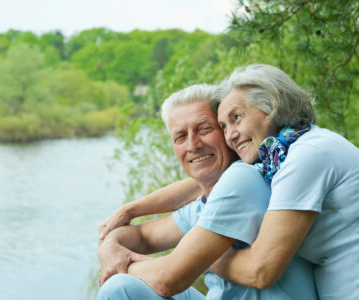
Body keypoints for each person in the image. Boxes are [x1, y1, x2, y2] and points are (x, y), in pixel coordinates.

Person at [100, 64, 359, 299]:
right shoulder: (276, 158)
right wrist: (114, 240)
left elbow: (261, 271)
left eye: (206, 129)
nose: (231, 134)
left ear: (270, 107)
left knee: (118, 287)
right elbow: (151, 228)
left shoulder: (304, 157)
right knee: (121, 287)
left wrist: (198, 256)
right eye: (224, 125)